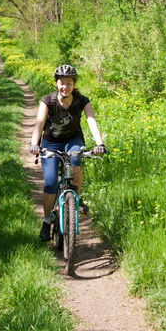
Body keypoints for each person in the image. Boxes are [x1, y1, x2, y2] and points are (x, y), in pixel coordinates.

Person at [28, 64, 106, 241]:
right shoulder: (48, 100)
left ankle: (76, 197)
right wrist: (34, 144)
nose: (65, 86)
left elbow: (91, 120)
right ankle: (47, 221)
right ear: (56, 84)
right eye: (61, 83)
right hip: (50, 143)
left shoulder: (82, 101)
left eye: (69, 83)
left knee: (76, 158)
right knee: (50, 184)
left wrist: (100, 143)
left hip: (73, 140)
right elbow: (39, 123)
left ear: (74, 84)